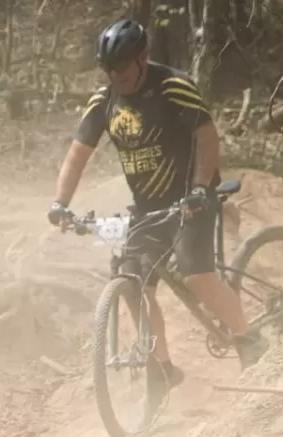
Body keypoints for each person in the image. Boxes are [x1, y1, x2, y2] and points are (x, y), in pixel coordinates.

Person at [48, 17, 267, 395]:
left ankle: (250, 342)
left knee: (196, 275)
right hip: (148, 208)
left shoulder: (172, 87)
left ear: (142, 58)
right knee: (133, 283)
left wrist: (199, 188)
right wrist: (60, 204)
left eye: (122, 66)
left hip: (193, 200)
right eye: (108, 68)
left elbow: (208, 138)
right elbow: (77, 155)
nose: (115, 75)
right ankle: (162, 370)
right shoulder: (104, 102)